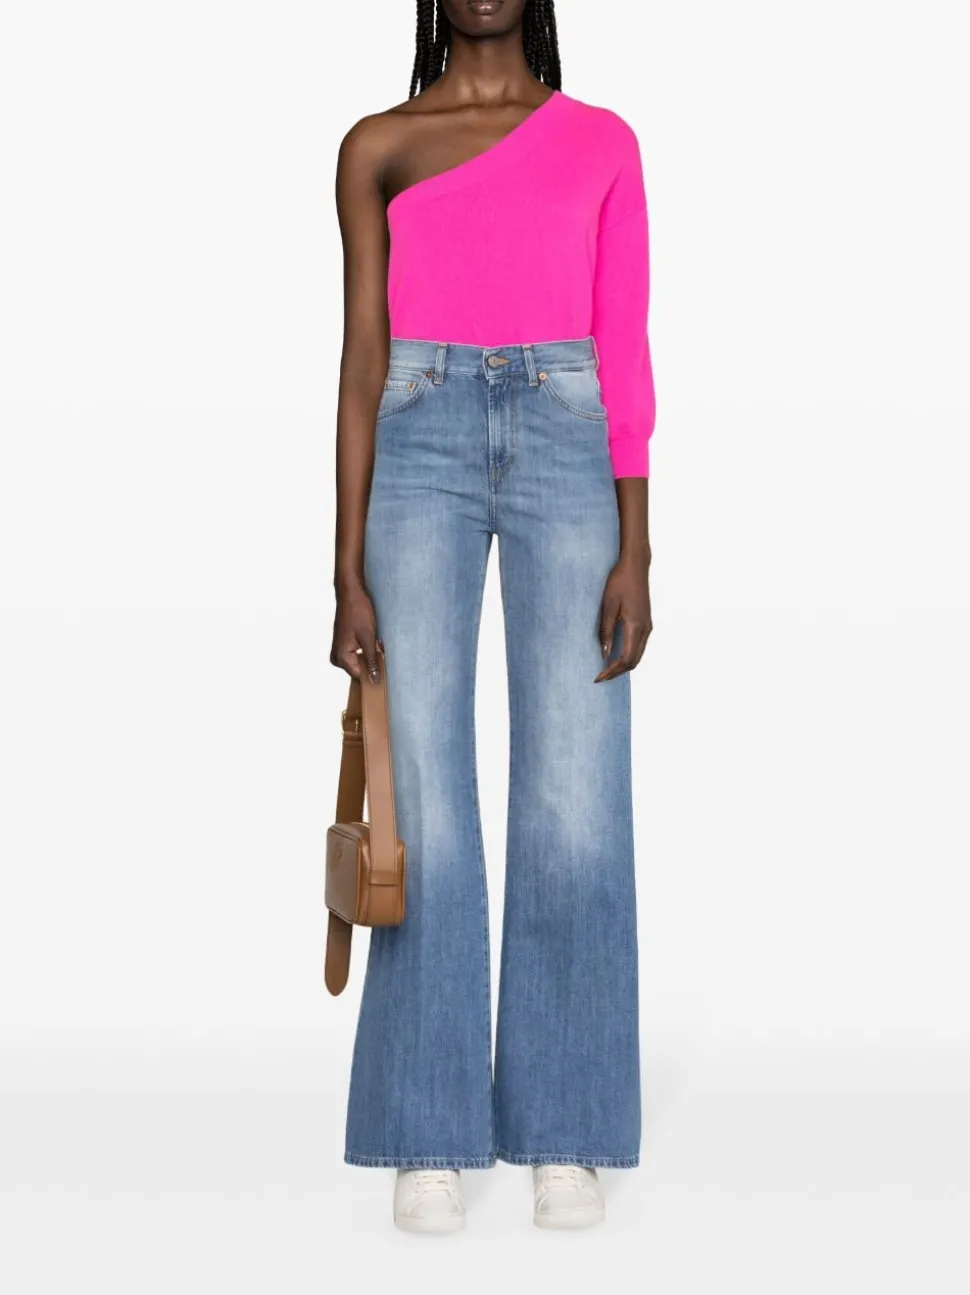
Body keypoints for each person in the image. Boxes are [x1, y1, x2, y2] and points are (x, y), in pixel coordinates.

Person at [331, 0, 655, 1233]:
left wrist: (637, 539)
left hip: (569, 431)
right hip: (417, 434)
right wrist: (343, 566)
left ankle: (563, 1124)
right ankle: (428, 1125)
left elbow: (623, 343)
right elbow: (361, 361)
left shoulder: (602, 141)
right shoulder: (377, 146)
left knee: (574, 786)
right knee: (421, 790)